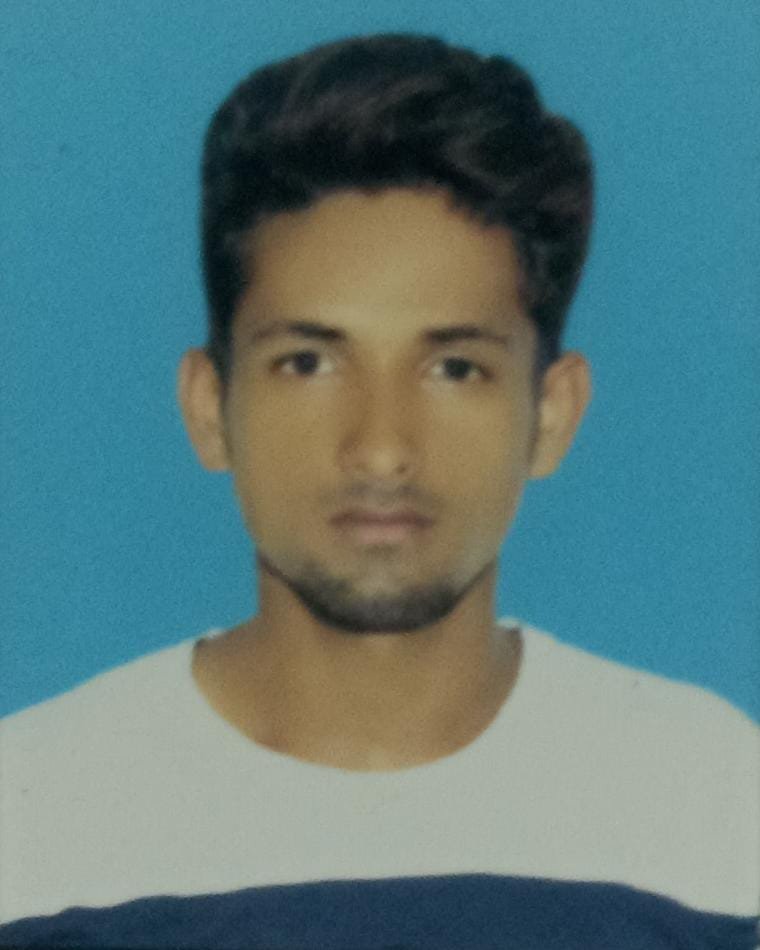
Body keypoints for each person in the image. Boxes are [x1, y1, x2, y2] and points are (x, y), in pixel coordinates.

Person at [1, 32, 757, 950]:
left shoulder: (709, 806)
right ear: (209, 408)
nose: (382, 447)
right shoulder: (37, 823)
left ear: (552, 415)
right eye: (308, 362)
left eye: (455, 368)